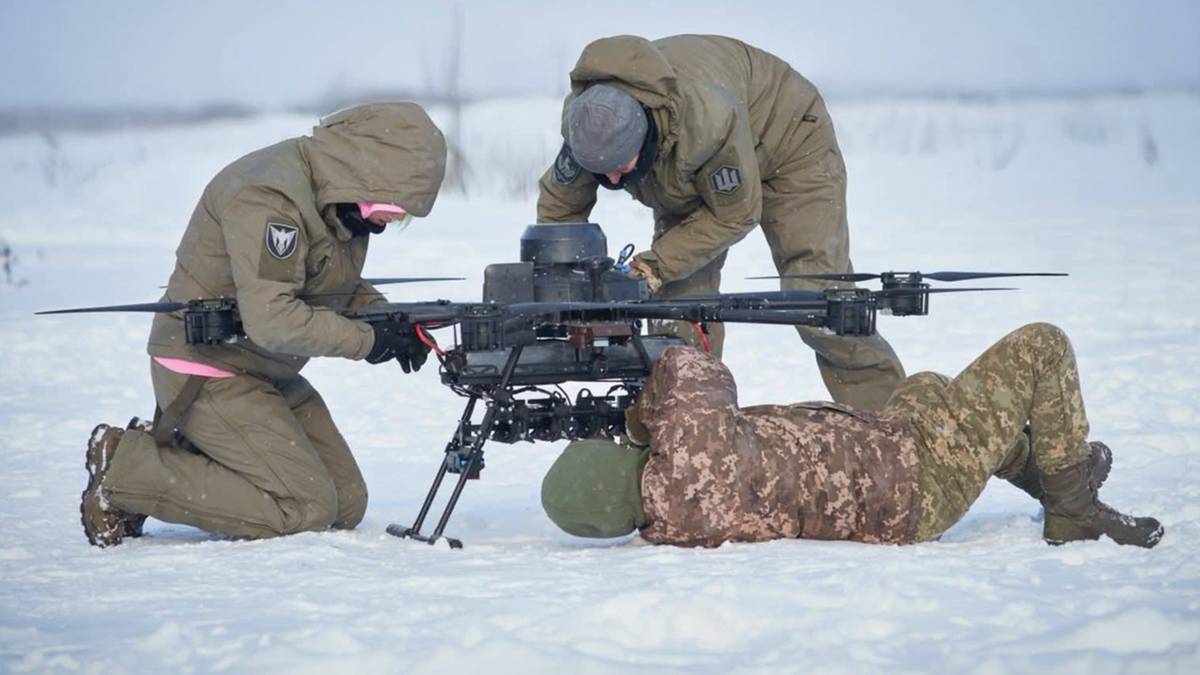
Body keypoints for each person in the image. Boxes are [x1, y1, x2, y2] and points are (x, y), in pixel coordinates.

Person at [80, 102, 448, 547]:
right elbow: (272, 318)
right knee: (305, 509)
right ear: (362, 170)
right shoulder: (269, 197)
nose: (392, 218)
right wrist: (368, 341)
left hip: (267, 371)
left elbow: (331, 285)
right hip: (208, 372)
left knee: (346, 504)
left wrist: (395, 323)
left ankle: (207, 452)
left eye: (405, 213)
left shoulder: (336, 199)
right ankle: (128, 471)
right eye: (391, 204)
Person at [541, 323, 1164, 549]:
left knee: (927, 385)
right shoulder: (686, 456)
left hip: (889, 457)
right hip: (915, 476)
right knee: (1041, 345)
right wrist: (634, 416)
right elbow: (691, 365)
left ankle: (1053, 476)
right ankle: (1074, 509)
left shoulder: (671, 519)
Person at [537, 34, 905, 411]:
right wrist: (562, 287)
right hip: (686, 174)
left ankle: (894, 425)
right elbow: (559, 208)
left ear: (644, 137)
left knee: (818, 300)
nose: (612, 180)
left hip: (787, 140)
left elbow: (736, 213)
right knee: (677, 314)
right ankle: (688, 436)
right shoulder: (590, 125)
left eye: (620, 168)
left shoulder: (706, 120)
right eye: (601, 171)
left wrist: (654, 265)